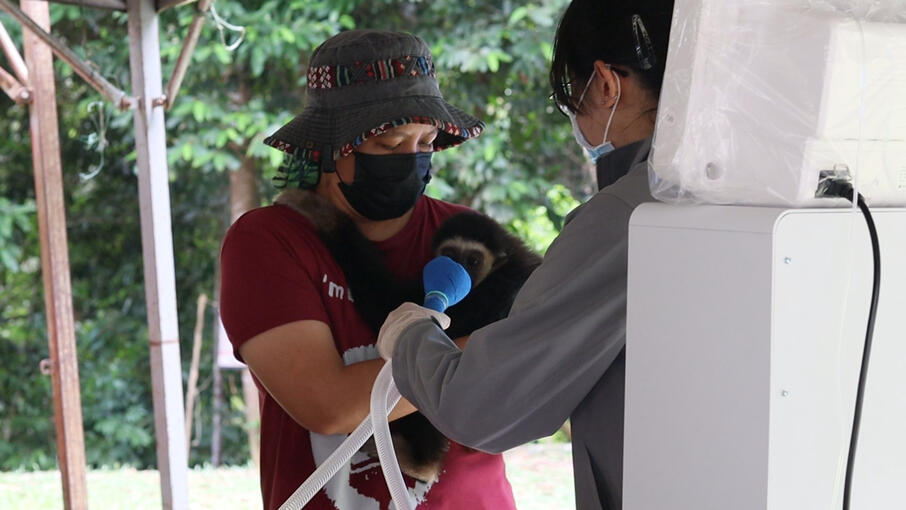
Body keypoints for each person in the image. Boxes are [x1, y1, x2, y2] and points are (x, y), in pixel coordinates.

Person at [376, 2, 675, 509]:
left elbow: (483, 407)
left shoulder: (628, 216)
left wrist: (409, 338)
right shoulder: (752, 190)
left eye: (571, 96)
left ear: (606, 83)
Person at [219, 30, 517, 510]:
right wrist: (502, 347)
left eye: (425, 141)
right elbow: (329, 405)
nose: (412, 158)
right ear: (329, 148)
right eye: (389, 143)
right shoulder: (270, 241)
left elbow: (530, 382)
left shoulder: (468, 239)